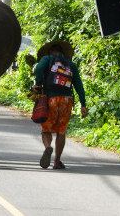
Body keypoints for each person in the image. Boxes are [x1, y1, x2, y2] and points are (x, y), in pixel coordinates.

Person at [34, 40, 87, 170]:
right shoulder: (71, 65)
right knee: (61, 131)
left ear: (50, 51)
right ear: (63, 53)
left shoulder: (47, 59)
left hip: (50, 100)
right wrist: (83, 104)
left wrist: (39, 83)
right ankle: (57, 161)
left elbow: (38, 69)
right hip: (66, 101)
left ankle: (48, 147)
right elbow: (79, 85)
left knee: (46, 129)